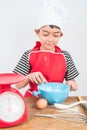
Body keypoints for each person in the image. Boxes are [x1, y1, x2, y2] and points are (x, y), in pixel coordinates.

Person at [13, 0, 79, 97]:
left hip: (56, 98)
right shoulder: (29, 55)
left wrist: (71, 84)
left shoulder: (65, 56)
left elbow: (73, 83)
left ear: (60, 35)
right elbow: (18, 85)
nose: (50, 39)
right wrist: (29, 76)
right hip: (33, 98)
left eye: (55, 35)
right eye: (45, 34)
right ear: (37, 32)